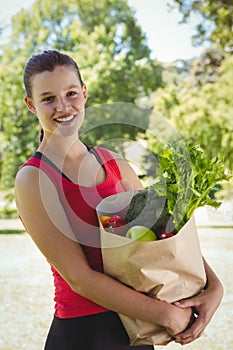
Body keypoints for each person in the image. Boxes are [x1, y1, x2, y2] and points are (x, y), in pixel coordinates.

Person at [15, 50, 223, 350]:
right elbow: (80, 278)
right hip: (85, 333)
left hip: (137, 330)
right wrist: (167, 315)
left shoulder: (115, 164)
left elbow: (161, 235)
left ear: (84, 93)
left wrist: (214, 288)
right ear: (31, 105)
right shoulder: (33, 179)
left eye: (71, 93)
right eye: (48, 99)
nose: (63, 106)